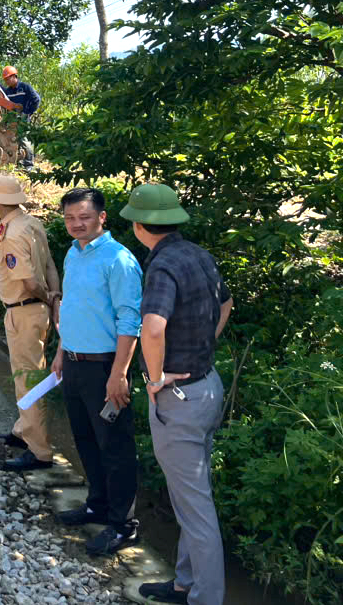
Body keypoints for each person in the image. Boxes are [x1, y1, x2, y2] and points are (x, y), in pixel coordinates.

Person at [120, 184, 233, 605]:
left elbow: (152, 327)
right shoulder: (197, 255)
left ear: (137, 225)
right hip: (207, 386)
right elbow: (225, 303)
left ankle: (206, 597)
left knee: (195, 507)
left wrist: (154, 376)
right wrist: (203, 343)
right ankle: (185, 582)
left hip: (180, 398)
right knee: (191, 495)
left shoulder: (162, 265)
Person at [51, 187, 143, 556]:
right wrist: (61, 352)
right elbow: (72, 308)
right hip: (73, 362)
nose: (76, 224)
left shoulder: (119, 260)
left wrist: (119, 374)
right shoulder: (73, 254)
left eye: (84, 217)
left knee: (115, 446)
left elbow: (129, 319)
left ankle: (123, 525)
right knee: (86, 438)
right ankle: (97, 505)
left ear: (102, 217)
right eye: (70, 218)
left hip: (105, 366)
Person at [0, 174, 60, 471]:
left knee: (28, 381)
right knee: (28, 376)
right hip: (37, 310)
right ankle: (22, 431)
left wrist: (46, 295)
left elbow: (28, 281)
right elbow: (50, 264)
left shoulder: (13, 233)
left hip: (24, 310)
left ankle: (39, 451)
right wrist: (54, 297)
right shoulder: (32, 223)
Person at [1, 65, 41, 168]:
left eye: (8, 78)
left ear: (14, 76)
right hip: (12, 118)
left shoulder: (25, 87)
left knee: (23, 139)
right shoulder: (7, 91)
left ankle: (29, 164)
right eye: (5, 80)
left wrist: (28, 112)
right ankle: (19, 161)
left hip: (23, 117)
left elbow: (36, 99)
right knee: (15, 139)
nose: (7, 82)